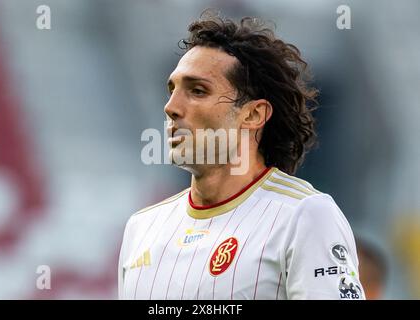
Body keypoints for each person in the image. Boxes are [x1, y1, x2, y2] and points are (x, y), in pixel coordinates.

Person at [118, 11, 365, 300]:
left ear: (253, 114)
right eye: (171, 90)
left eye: (197, 91)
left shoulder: (305, 216)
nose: (171, 107)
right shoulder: (142, 228)